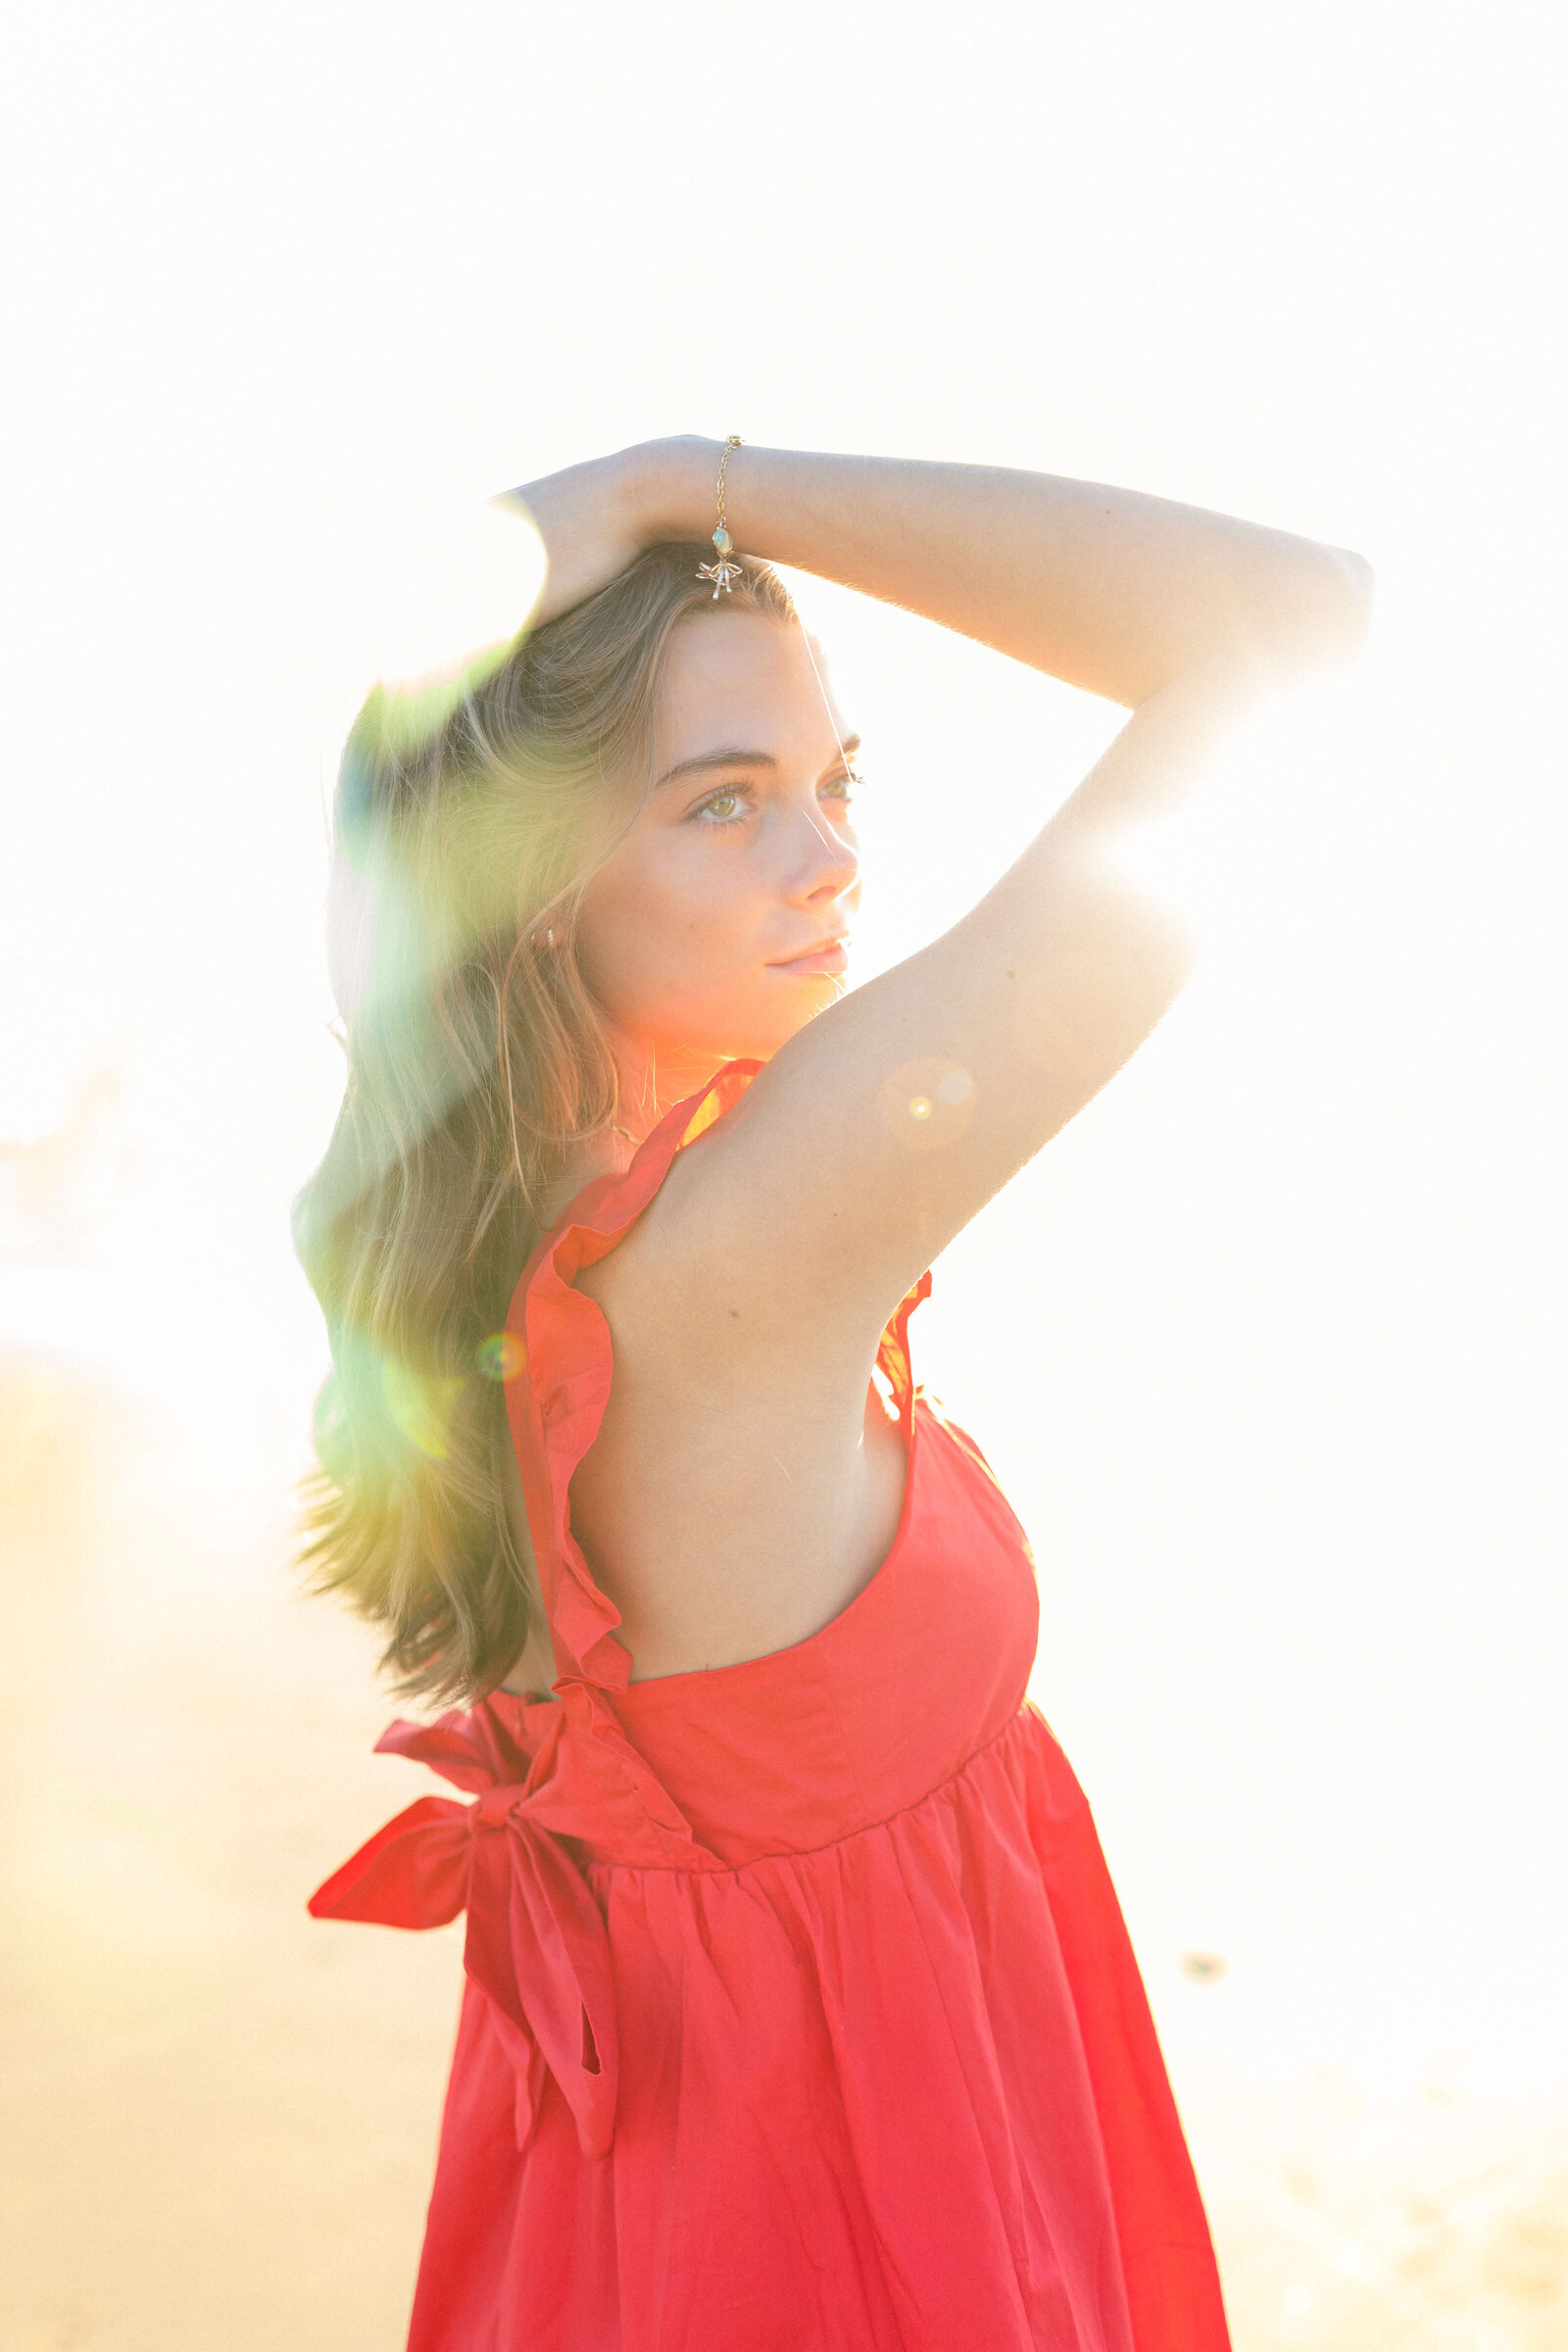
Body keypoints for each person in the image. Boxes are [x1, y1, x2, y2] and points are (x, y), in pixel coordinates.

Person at [297, 437, 1371, 2351]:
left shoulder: (504, 1219)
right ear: (537, 881)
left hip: (670, 2208)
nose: (830, 860)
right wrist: (703, 477)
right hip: (869, 2218)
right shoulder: (747, 1239)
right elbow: (1290, 632)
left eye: (833, 780)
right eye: (724, 806)